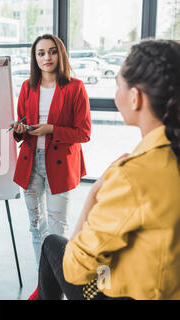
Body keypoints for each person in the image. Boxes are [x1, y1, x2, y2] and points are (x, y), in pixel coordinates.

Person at [29, 39, 180, 300]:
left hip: (127, 293)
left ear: (135, 98)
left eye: (118, 83)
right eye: (41, 53)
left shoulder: (132, 176)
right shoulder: (165, 158)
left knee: (54, 246)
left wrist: (94, 193)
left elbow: (74, 269)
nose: (46, 57)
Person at [12, 34, 91, 271]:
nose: (47, 57)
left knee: (57, 232)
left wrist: (52, 130)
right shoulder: (28, 87)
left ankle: (58, 286)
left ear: (61, 54)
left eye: (52, 51)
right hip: (30, 164)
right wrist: (19, 130)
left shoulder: (75, 87)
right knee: (36, 226)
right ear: (35, 58)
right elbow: (21, 125)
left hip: (60, 166)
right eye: (41, 53)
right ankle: (43, 284)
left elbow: (84, 132)